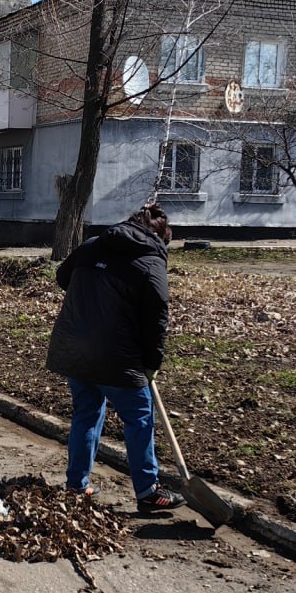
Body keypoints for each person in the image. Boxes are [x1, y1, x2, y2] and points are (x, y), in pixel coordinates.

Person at [44, 203, 185, 513]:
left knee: (86, 414)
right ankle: (148, 491)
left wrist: (94, 291)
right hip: (117, 356)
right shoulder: (151, 261)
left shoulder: (93, 246)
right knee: (139, 417)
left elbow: (63, 277)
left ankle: (76, 485)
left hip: (76, 349)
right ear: (161, 236)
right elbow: (157, 318)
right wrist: (152, 364)